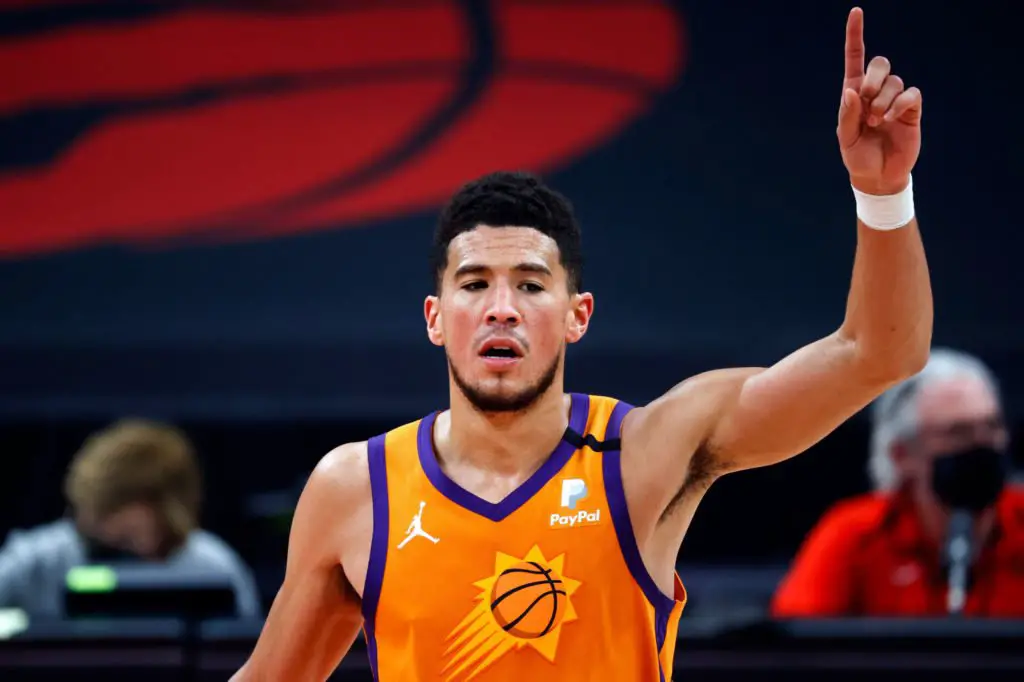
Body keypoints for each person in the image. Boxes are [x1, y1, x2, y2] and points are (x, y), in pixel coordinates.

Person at [234, 8, 932, 680]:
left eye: (531, 285)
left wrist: (883, 194)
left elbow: (879, 354)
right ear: (435, 318)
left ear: (578, 315)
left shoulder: (647, 453)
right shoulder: (356, 489)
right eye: (474, 284)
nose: (502, 309)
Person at [772, 349, 1024, 617]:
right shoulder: (855, 535)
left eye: (992, 427)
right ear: (901, 454)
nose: (982, 443)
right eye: (957, 433)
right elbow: (796, 634)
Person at [0, 419, 261, 618]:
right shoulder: (37, 561)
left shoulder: (215, 569)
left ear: (162, 507)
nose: (100, 523)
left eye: (113, 508)